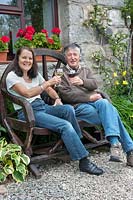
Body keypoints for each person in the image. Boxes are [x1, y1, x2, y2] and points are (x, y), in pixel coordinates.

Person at [6, 46, 104, 176]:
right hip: (27, 112)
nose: (27, 61)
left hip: (42, 107)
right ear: (17, 59)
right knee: (65, 125)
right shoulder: (12, 77)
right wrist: (47, 84)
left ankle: (75, 143)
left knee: (68, 109)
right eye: (24, 57)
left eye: (30, 58)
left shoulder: (34, 74)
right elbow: (28, 93)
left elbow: (49, 90)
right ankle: (83, 161)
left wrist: (57, 98)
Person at [57, 43, 133, 167]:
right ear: (65, 57)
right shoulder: (61, 73)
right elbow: (66, 95)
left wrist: (82, 82)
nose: (72, 57)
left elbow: (94, 84)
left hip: (97, 103)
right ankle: (127, 150)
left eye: (75, 54)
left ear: (79, 56)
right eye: (69, 55)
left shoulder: (85, 70)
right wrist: (88, 97)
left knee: (104, 103)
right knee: (112, 112)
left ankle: (116, 145)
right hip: (79, 106)